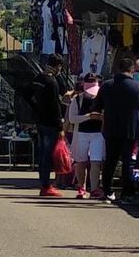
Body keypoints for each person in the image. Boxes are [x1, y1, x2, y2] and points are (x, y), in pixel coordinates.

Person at [99, 54, 139, 204]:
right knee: (128, 161)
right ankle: (127, 193)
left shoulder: (106, 85)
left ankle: (107, 191)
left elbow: (96, 105)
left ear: (118, 68)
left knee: (110, 160)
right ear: (131, 70)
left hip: (110, 128)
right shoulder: (137, 87)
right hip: (130, 129)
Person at [30, 54, 67, 198]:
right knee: (48, 155)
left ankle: (44, 183)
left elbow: (30, 98)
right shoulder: (52, 82)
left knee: (43, 154)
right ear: (58, 66)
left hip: (39, 121)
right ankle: (46, 186)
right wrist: (60, 126)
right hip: (50, 123)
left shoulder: (38, 79)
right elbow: (55, 106)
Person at [67, 74, 104, 199]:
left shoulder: (102, 99)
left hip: (98, 134)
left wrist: (101, 118)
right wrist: (88, 116)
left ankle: (94, 188)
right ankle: (81, 187)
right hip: (81, 133)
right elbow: (72, 119)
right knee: (80, 162)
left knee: (95, 162)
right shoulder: (77, 99)